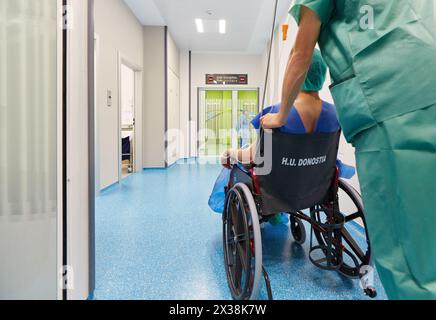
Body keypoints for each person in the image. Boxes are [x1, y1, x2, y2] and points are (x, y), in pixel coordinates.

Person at [261, 0, 436, 300]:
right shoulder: (331, 116)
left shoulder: (279, 113)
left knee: (407, 255)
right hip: (426, 81)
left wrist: (275, 120)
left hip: (387, 97)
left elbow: (300, 52)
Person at [222, 49, 339, 167]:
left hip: (278, 184)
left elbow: (252, 155)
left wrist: (229, 152)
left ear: (292, 74)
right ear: (322, 73)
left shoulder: (273, 114)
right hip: (318, 184)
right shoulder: (336, 114)